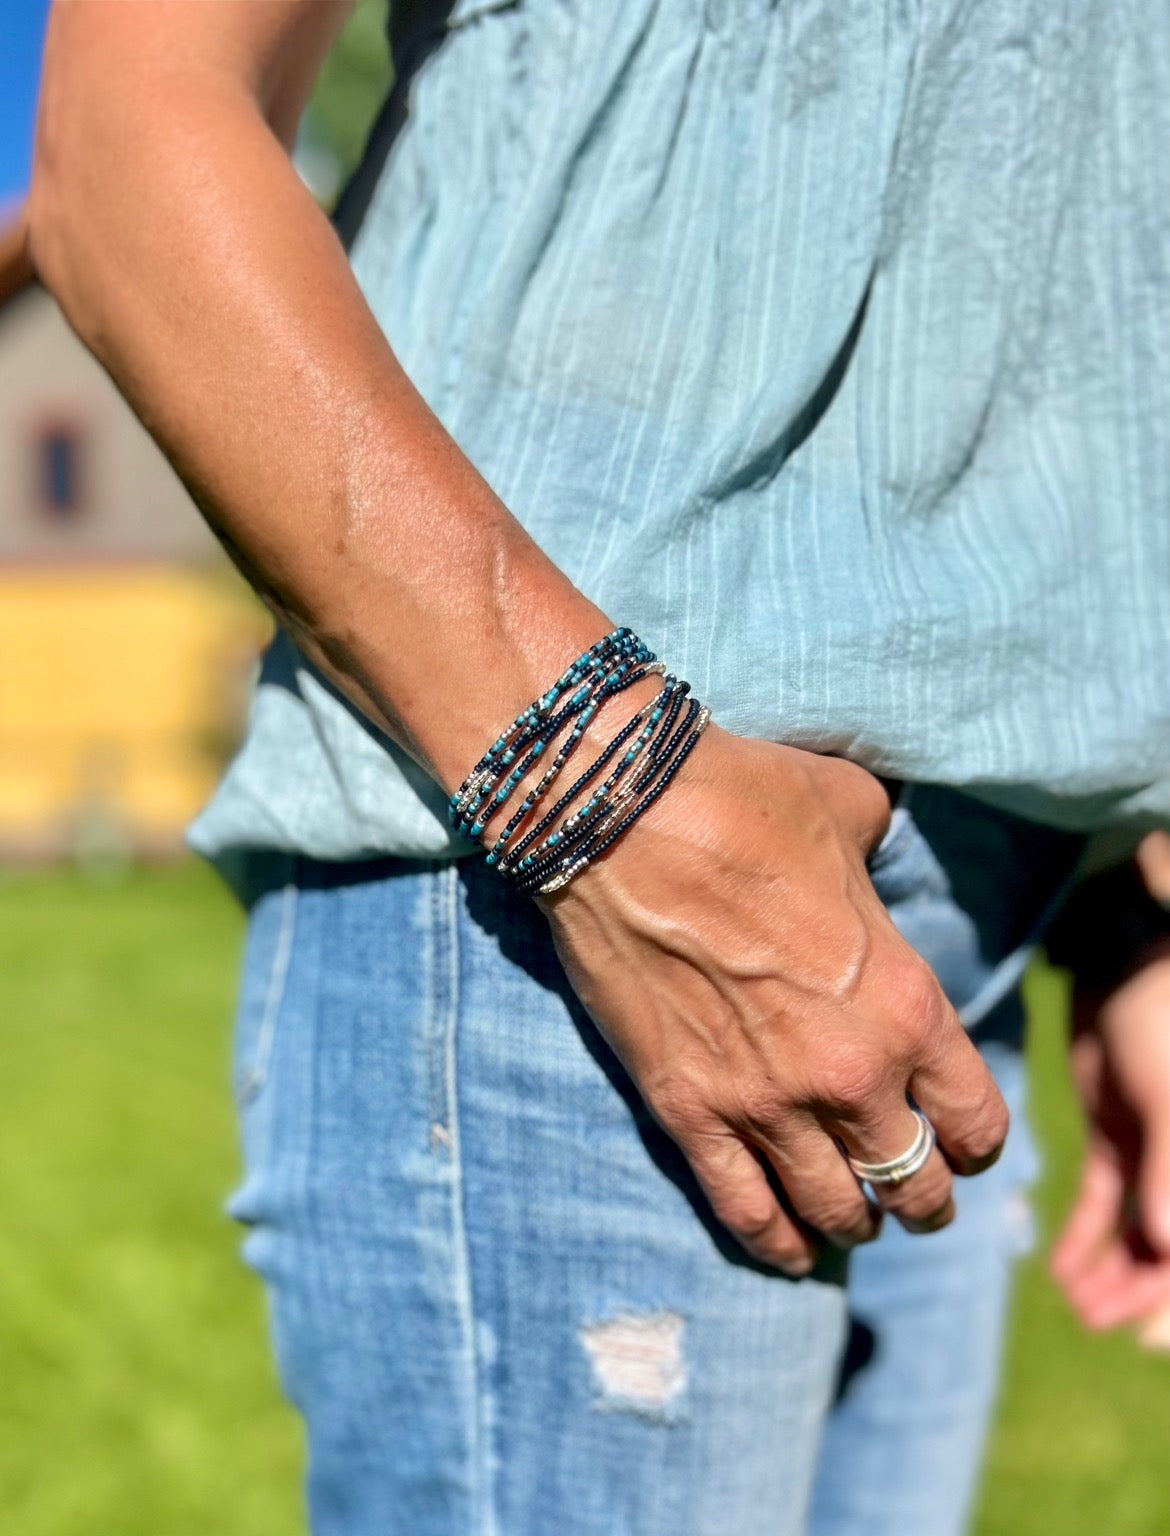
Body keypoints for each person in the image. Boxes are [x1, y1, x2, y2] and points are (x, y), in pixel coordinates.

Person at [26, 3, 1169, 1533]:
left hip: (962, 919)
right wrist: (613, 802)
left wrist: (1111, 886)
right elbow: (125, 131)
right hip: (580, 902)